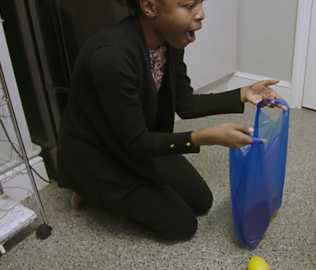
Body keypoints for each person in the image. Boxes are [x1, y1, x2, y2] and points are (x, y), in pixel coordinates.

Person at [56, 0, 287, 241]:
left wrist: (245, 92)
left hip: (136, 142)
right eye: (188, 5)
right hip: (101, 154)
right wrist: (207, 137)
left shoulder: (168, 42)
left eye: (201, 3)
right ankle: (84, 186)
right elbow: (136, 142)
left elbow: (184, 103)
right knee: (181, 226)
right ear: (150, 7)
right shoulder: (110, 56)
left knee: (201, 201)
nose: (201, 14)